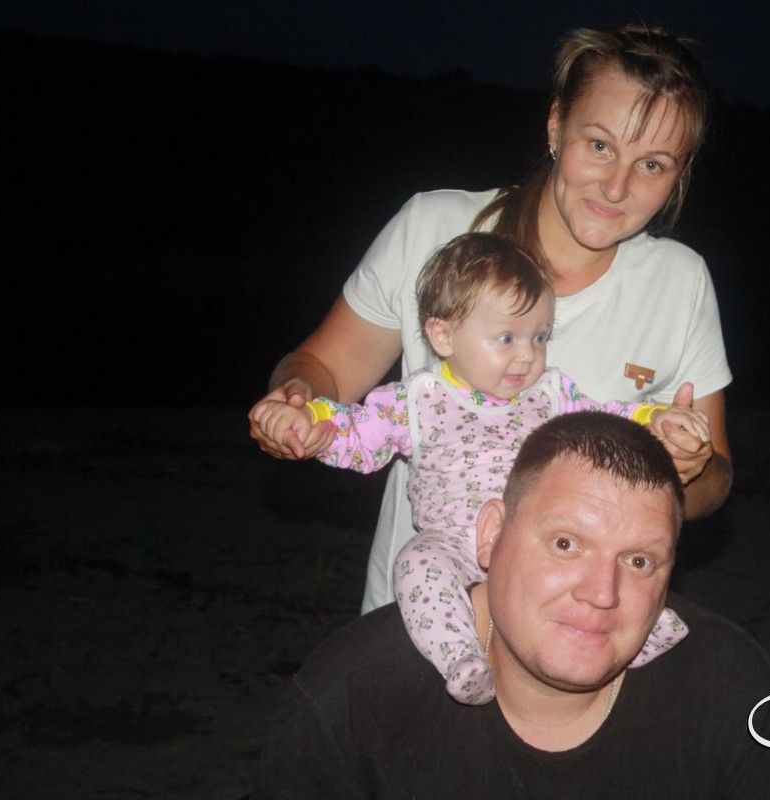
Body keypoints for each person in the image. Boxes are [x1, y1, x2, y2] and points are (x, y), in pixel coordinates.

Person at [247, 23, 734, 614]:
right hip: (418, 620)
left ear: (680, 173)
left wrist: (690, 465)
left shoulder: (681, 282)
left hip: (584, 625)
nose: (616, 186)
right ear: (556, 125)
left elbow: (713, 485)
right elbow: (324, 366)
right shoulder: (431, 226)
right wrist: (295, 400)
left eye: (652, 164)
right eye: (599, 146)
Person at [253, 413, 770, 798]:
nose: (602, 593)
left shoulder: (730, 688)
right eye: (566, 544)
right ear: (491, 534)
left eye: (639, 561)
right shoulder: (355, 696)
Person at [250, 232, 708, 704]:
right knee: (415, 562)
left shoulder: (552, 394)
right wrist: (309, 422)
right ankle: (460, 657)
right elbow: (357, 431)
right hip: (450, 541)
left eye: (540, 337)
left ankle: (636, 630)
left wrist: (656, 418)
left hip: (532, 545)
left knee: (594, 561)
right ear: (443, 334)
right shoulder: (418, 400)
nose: (527, 354)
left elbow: (607, 420)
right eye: (507, 338)